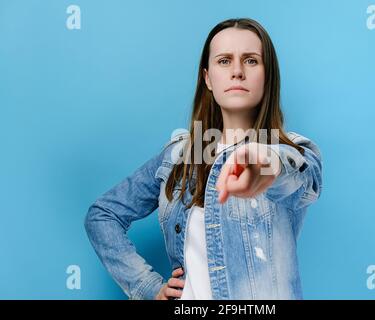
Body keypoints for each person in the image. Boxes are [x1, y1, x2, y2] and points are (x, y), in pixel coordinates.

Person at [84, 17, 323, 300]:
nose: (237, 71)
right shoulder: (177, 156)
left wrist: (265, 164)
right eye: (224, 61)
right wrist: (147, 287)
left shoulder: (293, 150)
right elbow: (102, 216)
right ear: (208, 78)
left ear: (268, 75)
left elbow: (301, 179)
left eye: (250, 61)